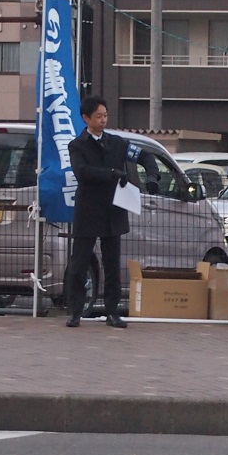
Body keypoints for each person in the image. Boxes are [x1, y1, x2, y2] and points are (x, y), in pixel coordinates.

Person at [63, 96, 132, 329]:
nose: (103, 120)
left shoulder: (117, 142)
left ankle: (112, 311)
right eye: (98, 116)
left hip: (113, 209)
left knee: (112, 263)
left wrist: (151, 173)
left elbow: (141, 155)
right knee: (79, 263)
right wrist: (111, 173)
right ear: (86, 118)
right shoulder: (77, 145)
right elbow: (82, 171)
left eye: (105, 115)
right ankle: (75, 310)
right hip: (88, 210)